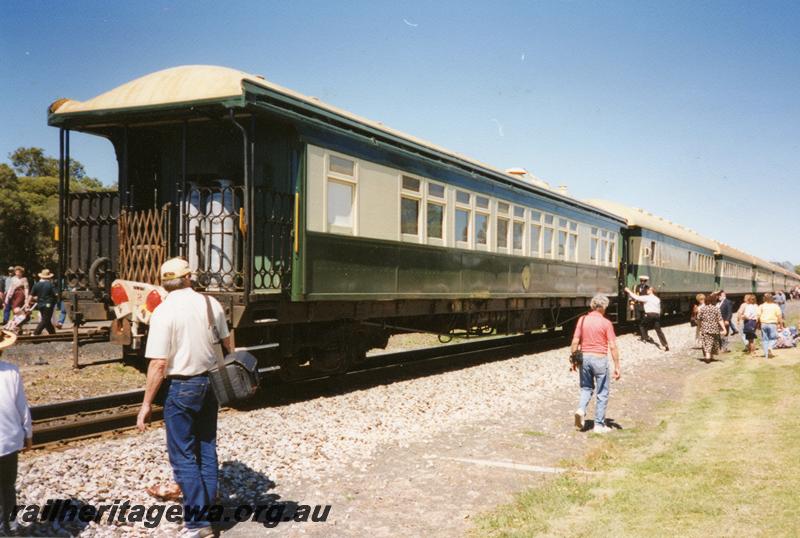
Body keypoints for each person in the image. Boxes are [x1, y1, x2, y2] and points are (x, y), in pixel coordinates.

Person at [136, 257, 231, 538]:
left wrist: (145, 405)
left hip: (182, 387)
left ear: (164, 282)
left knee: (183, 456)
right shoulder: (209, 303)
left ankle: (198, 524)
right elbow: (228, 344)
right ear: (189, 278)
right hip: (210, 382)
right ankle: (208, 510)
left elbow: (158, 364)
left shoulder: (164, 312)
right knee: (206, 447)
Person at [570, 293, 621, 434]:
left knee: (586, 388)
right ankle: (599, 425)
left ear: (592, 306)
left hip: (584, 359)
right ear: (603, 307)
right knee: (602, 392)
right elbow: (612, 346)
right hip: (599, 359)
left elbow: (575, 342)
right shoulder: (606, 323)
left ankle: (581, 409)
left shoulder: (582, 320)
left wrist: (574, 360)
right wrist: (617, 366)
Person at [0, 329, 32, 535]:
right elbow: (22, 407)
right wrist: (28, 434)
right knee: (7, 486)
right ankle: (11, 525)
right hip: (9, 440)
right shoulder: (11, 372)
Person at [624, 286, 669, 351]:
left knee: (642, 325)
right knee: (658, 330)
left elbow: (637, 297)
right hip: (656, 315)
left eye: (648, 289)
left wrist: (628, 291)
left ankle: (645, 337)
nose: (647, 290)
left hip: (649, 314)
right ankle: (665, 345)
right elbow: (659, 309)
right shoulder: (657, 299)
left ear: (651, 291)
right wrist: (658, 316)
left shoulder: (647, 298)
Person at [696, 292, 726, 361]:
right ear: (713, 301)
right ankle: (710, 356)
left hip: (705, 329)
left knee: (706, 342)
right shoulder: (716, 309)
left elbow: (699, 319)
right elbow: (720, 319)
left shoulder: (702, 309)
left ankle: (707, 357)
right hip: (714, 329)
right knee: (713, 342)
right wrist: (724, 328)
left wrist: (699, 328)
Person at [30, 269, 58, 335]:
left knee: (47, 320)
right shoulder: (51, 285)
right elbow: (56, 294)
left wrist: (27, 303)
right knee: (45, 320)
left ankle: (53, 334)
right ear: (49, 277)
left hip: (40, 305)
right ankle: (35, 333)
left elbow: (31, 295)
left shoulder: (36, 285)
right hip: (48, 305)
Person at [757, 293, 783, 359]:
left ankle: (766, 355)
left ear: (764, 299)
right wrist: (781, 325)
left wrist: (757, 324)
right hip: (772, 324)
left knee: (765, 339)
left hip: (764, 324)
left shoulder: (761, 306)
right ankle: (770, 347)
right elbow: (779, 316)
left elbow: (758, 316)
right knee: (774, 338)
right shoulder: (775, 306)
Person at [632, 276, 650, 341]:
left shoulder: (648, 288)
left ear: (646, 281)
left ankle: (644, 334)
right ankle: (639, 332)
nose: (642, 282)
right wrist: (632, 304)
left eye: (644, 281)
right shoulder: (636, 287)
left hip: (644, 306)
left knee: (644, 320)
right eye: (641, 281)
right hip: (637, 305)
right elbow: (633, 296)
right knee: (638, 319)